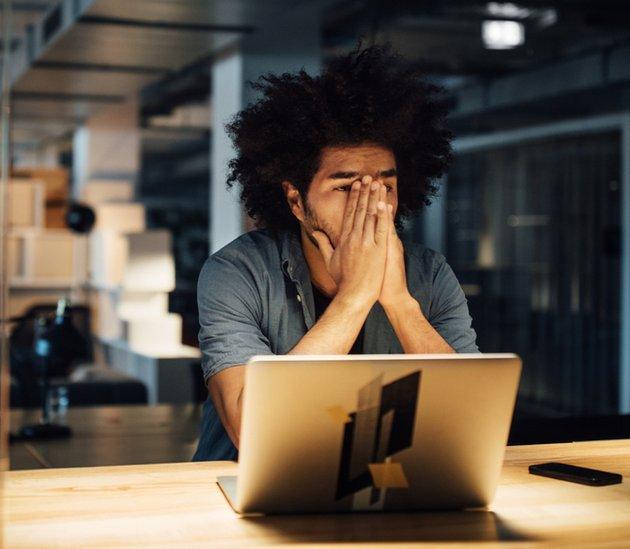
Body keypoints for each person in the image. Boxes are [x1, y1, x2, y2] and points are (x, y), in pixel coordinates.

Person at [193, 45, 478, 462]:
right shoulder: (235, 272)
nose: (372, 205)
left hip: (383, 487)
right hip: (242, 494)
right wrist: (355, 297)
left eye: (386, 187)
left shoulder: (430, 274)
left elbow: (472, 417)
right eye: (345, 188)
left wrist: (400, 304)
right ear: (295, 199)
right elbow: (251, 429)